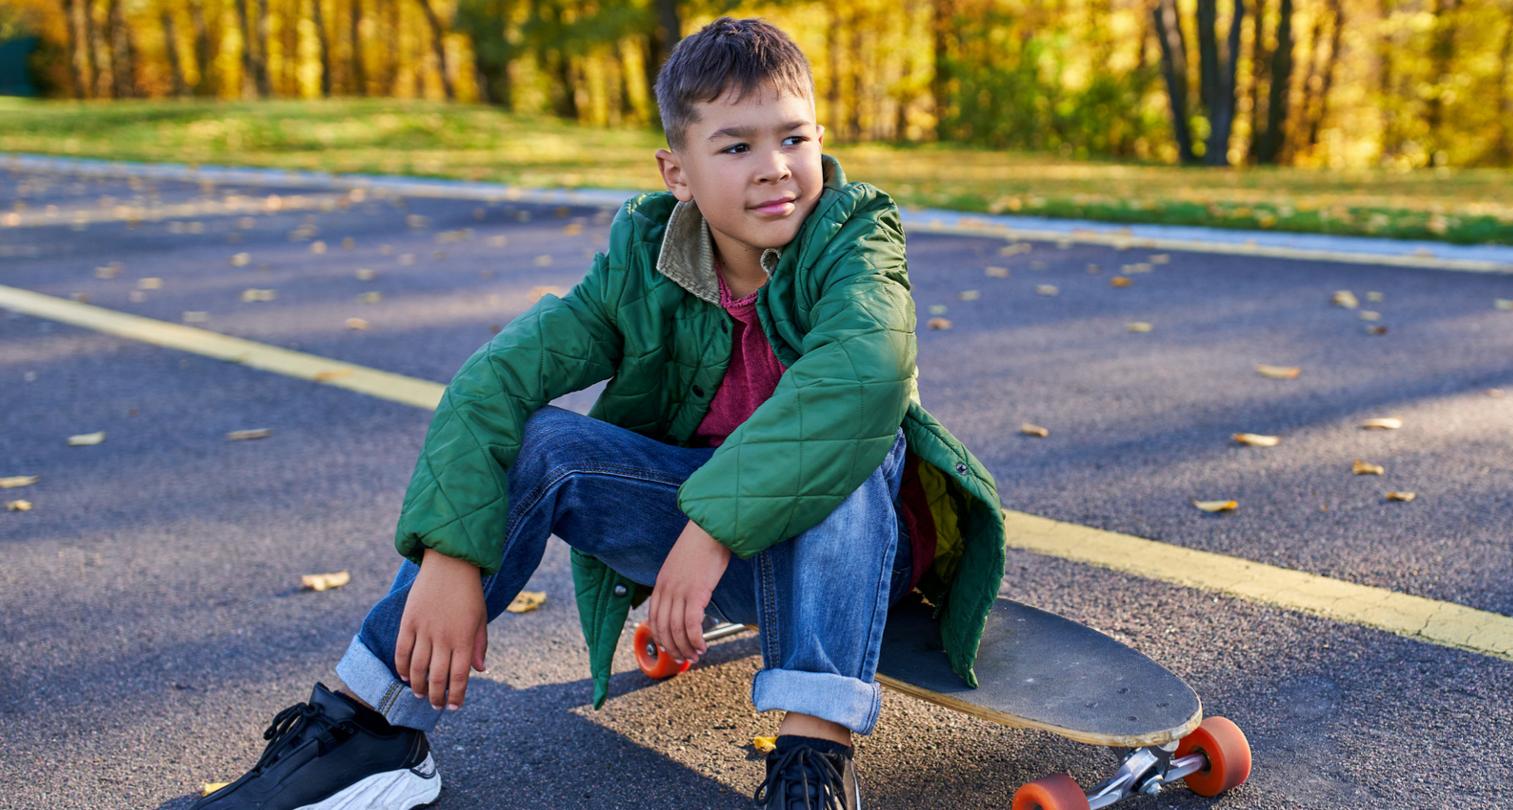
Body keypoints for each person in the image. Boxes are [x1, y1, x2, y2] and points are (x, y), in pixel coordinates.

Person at [193, 16, 1005, 810]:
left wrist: (710, 529)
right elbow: (495, 380)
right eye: (736, 146)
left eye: (794, 138)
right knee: (543, 441)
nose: (775, 168)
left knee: (862, 447)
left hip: (857, 561)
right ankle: (368, 726)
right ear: (676, 171)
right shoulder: (643, 263)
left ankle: (812, 759)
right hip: (710, 563)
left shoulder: (855, 236)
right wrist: (450, 556)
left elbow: (860, 382)